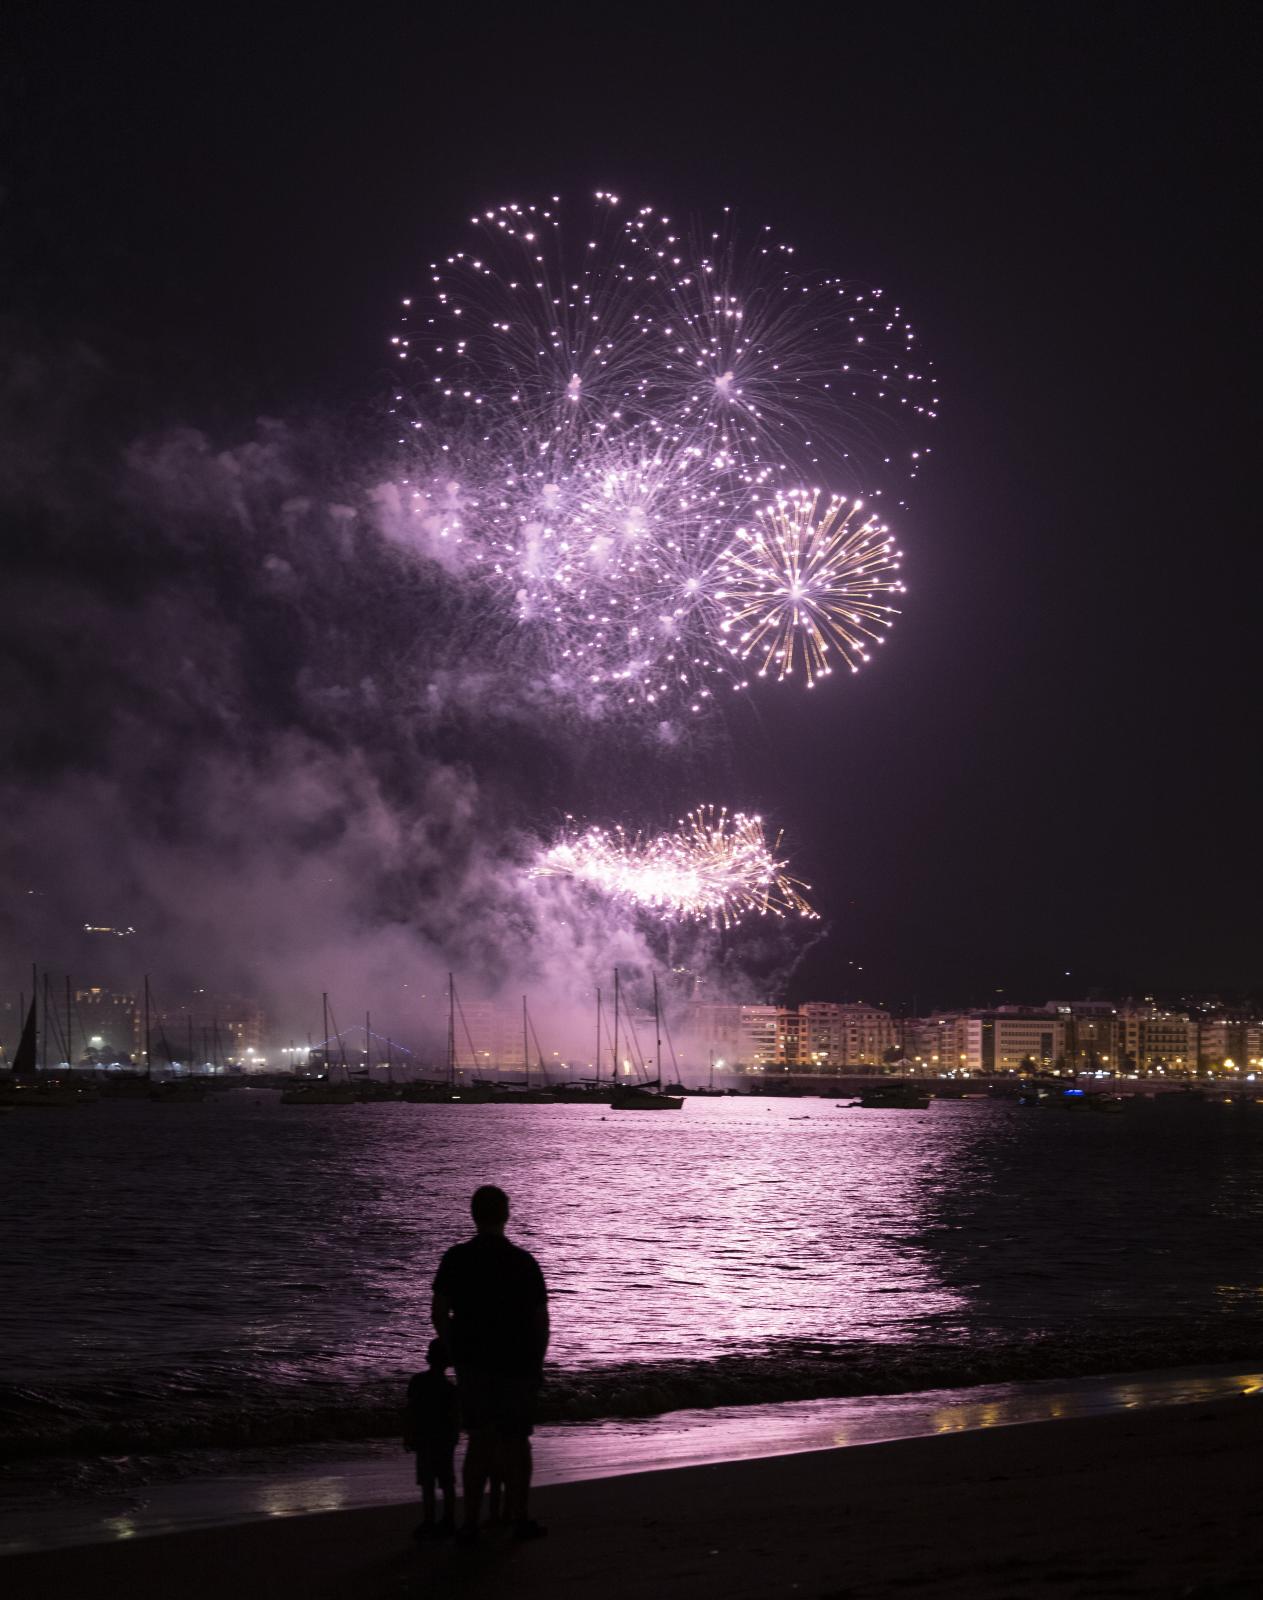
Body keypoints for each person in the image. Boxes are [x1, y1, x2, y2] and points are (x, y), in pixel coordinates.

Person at [432, 1184, 549, 1542]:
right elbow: (541, 1322)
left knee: (479, 1441)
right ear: (507, 1214)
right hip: (516, 1363)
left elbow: (439, 1313)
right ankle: (520, 1516)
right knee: (516, 1442)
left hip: (474, 1364)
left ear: (473, 1214)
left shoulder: (456, 1258)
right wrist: (537, 1363)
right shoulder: (524, 1262)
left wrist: (456, 1353)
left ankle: (470, 1522)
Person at [403, 1337, 460, 1540]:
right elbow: (455, 1416)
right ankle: (449, 1519)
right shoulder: (450, 1389)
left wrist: (408, 1434)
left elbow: (411, 1411)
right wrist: (454, 1436)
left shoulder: (418, 1381)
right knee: (446, 1481)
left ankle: (429, 1520)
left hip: (425, 1437)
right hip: (444, 1438)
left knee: (427, 1482)